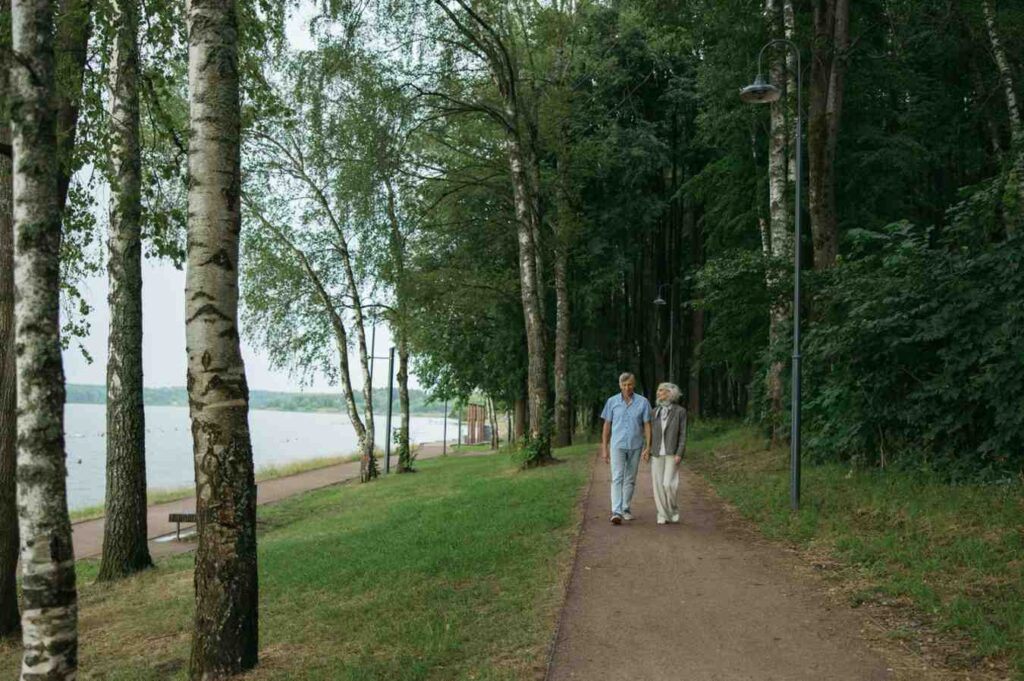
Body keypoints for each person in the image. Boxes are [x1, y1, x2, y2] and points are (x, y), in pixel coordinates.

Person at [600, 372, 651, 525]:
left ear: (633, 384)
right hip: (617, 445)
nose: (627, 388)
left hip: (636, 445)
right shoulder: (612, 402)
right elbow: (607, 425)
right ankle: (616, 511)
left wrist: (648, 447)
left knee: (630, 478)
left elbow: (647, 425)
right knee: (617, 477)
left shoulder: (643, 402)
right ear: (620, 385)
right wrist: (605, 447)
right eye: (624, 385)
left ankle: (625, 508)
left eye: (629, 384)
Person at [645, 382, 687, 525]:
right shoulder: (654, 411)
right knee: (658, 485)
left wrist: (680, 453)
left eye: (661, 391)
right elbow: (650, 433)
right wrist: (648, 448)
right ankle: (662, 514)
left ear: (670, 393)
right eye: (658, 390)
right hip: (657, 452)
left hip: (672, 452)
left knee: (669, 484)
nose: (658, 393)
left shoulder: (680, 411)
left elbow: (683, 434)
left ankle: (673, 509)